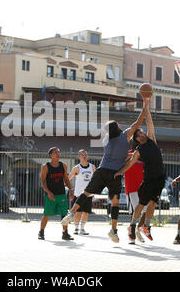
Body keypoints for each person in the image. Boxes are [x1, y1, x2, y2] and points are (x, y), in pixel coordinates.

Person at [61, 98, 149, 243]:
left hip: (102, 170)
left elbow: (117, 153)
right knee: (114, 201)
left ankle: (71, 214)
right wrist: (145, 107)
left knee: (86, 192)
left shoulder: (106, 140)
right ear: (118, 128)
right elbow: (137, 123)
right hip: (114, 174)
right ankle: (113, 230)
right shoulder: (124, 136)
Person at [114, 100, 165, 243]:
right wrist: (119, 172)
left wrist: (146, 107)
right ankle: (132, 226)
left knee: (153, 204)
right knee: (141, 204)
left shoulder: (152, 140)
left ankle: (146, 226)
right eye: (141, 132)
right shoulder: (139, 150)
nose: (144, 131)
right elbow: (130, 164)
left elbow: (149, 122)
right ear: (137, 138)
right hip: (149, 179)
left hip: (160, 177)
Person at [39, 147, 75, 241]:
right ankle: (41, 232)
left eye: (59, 152)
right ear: (51, 155)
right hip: (51, 195)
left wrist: (71, 189)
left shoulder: (63, 165)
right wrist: (48, 192)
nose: (58, 153)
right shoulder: (46, 166)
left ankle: (65, 233)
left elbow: (66, 179)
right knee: (46, 214)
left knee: (64, 214)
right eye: (56, 152)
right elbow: (42, 182)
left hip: (62, 194)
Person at [68, 149, 96, 235]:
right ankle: (76, 228)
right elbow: (68, 179)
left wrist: (95, 192)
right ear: (79, 156)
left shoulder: (92, 167)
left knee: (86, 212)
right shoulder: (76, 168)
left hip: (88, 193)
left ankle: (82, 229)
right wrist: (70, 188)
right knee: (78, 212)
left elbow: (95, 179)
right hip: (79, 194)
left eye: (85, 154)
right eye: (82, 155)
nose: (84, 156)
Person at [124, 149, 147, 244]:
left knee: (145, 211)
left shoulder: (144, 155)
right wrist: (134, 154)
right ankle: (131, 234)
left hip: (143, 187)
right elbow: (122, 159)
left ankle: (138, 230)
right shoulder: (128, 153)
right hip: (131, 187)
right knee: (133, 212)